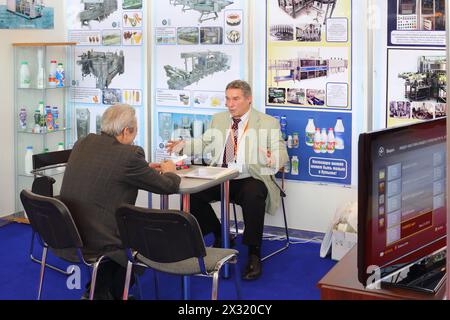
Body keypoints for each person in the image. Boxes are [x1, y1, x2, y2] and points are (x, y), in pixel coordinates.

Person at [167, 80, 288, 280]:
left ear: (248, 99)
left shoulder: (267, 122)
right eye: (227, 98)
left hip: (249, 177)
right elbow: (204, 142)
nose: (229, 104)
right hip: (221, 175)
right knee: (191, 194)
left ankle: (253, 252)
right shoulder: (219, 119)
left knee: (254, 195)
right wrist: (183, 145)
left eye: (235, 99)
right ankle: (221, 234)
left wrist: (273, 159)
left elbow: (280, 151)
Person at [60, 104, 181, 299]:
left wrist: (143, 169)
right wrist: (170, 172)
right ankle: (108, 293)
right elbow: (168, 187)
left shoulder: (83, 142)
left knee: (124, 234)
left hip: (68, 231)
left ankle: (98, 290)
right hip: (100, 239)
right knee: (147, 236)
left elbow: (106, 170)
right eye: (134, 132)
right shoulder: (130, 155)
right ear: (126, 131)